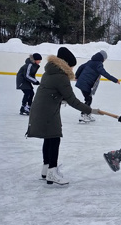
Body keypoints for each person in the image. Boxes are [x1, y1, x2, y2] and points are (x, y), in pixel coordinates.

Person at [26, 47, 101, 185]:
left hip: (40, 109)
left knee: (49, 139)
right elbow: (73, 100)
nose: (72, 70)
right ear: (65, 64)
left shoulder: (49, 72)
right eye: (71, 66)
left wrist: (61, 98)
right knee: (54, 139)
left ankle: (46, 170)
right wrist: (90, 110)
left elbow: (52, 91)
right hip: (48, 112)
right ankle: (52, 172)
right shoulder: (61, 77)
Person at [75, 50, 120, 123]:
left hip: (82, 82)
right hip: (86, 84)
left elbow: (80, 67)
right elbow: (104, 73)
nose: (104, 60)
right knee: (88, 99)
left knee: (88, 98)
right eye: (105, 59)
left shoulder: (90, 62)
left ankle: (87, 113)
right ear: (102, 58)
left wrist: (77, 76)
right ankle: (83, 115)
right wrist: (115, 80)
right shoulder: (98, 64)